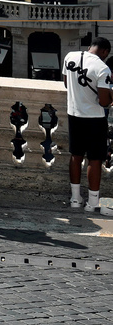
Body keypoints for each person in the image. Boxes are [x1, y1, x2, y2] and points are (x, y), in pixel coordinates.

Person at [64, 33, 113, 212]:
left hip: (73, 113)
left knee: (76, 156)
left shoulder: (70, 56)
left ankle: (75, 199)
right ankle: (92, 203)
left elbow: (66, 84)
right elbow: (103, 101)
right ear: (105, 51)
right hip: (94, 118)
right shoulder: (103, 68)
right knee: (94, 159)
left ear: (90, 47)